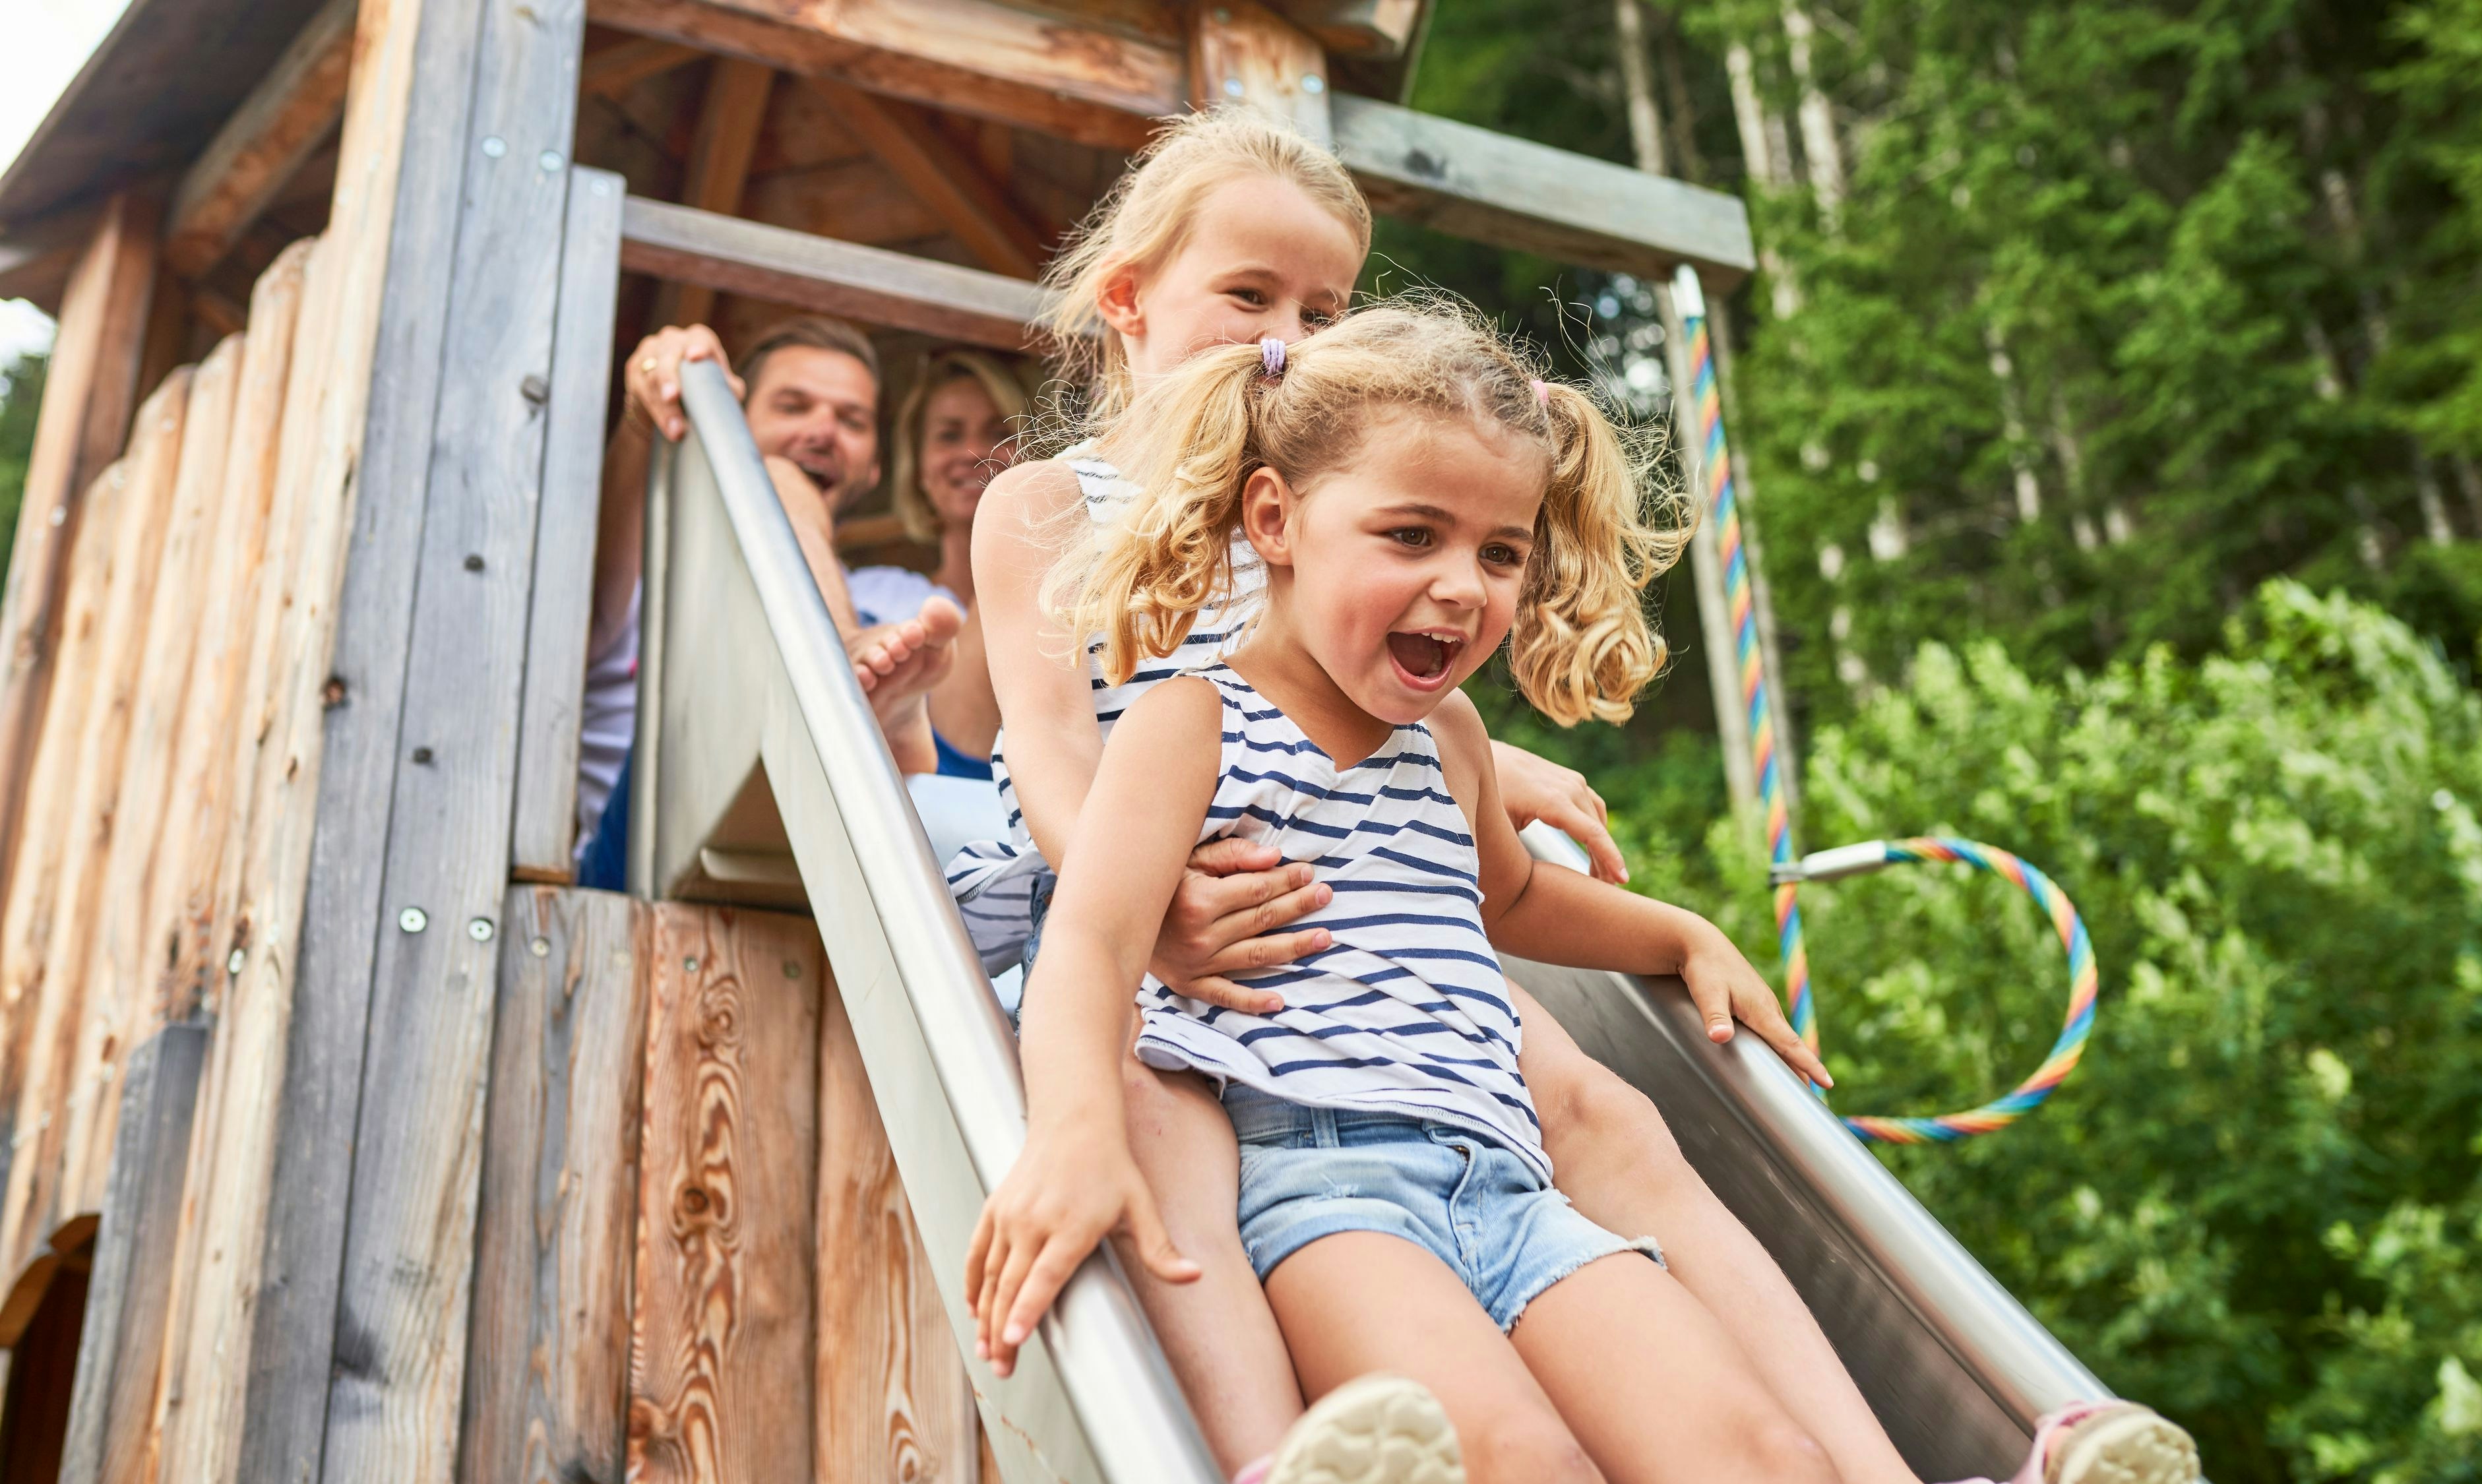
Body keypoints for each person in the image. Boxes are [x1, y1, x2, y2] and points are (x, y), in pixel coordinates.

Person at [946, 107, 2199, 1484]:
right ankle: (1254, 1452)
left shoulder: (1361, 512)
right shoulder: (1072, 524)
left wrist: (1611, 872)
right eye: (1250, 296)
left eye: (1324, 307)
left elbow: (1450, 797)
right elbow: (1060, 764)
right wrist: (1159, 908)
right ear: (1127, 298)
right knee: (1153, 1111)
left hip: (1391, 960)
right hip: (1188, 929)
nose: (1287, 338)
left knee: (1602, 1114)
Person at [574, 314, 963, 886]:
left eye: (852, 420)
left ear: (874, 466)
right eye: (792, 406)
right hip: (637, 866)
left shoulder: (898, 597)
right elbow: (587, 605)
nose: (823, 430)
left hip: (839, 865)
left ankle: (871, 715)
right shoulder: (646, 562)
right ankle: (842, 673)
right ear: (731, 424)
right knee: (773, 479)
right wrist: (654, 399)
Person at [874, 348, 1034, 779]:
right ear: (919, 468)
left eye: (999, 433)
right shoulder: (876, 597)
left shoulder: (1070, 605)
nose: (976, 452)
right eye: (949, 435)